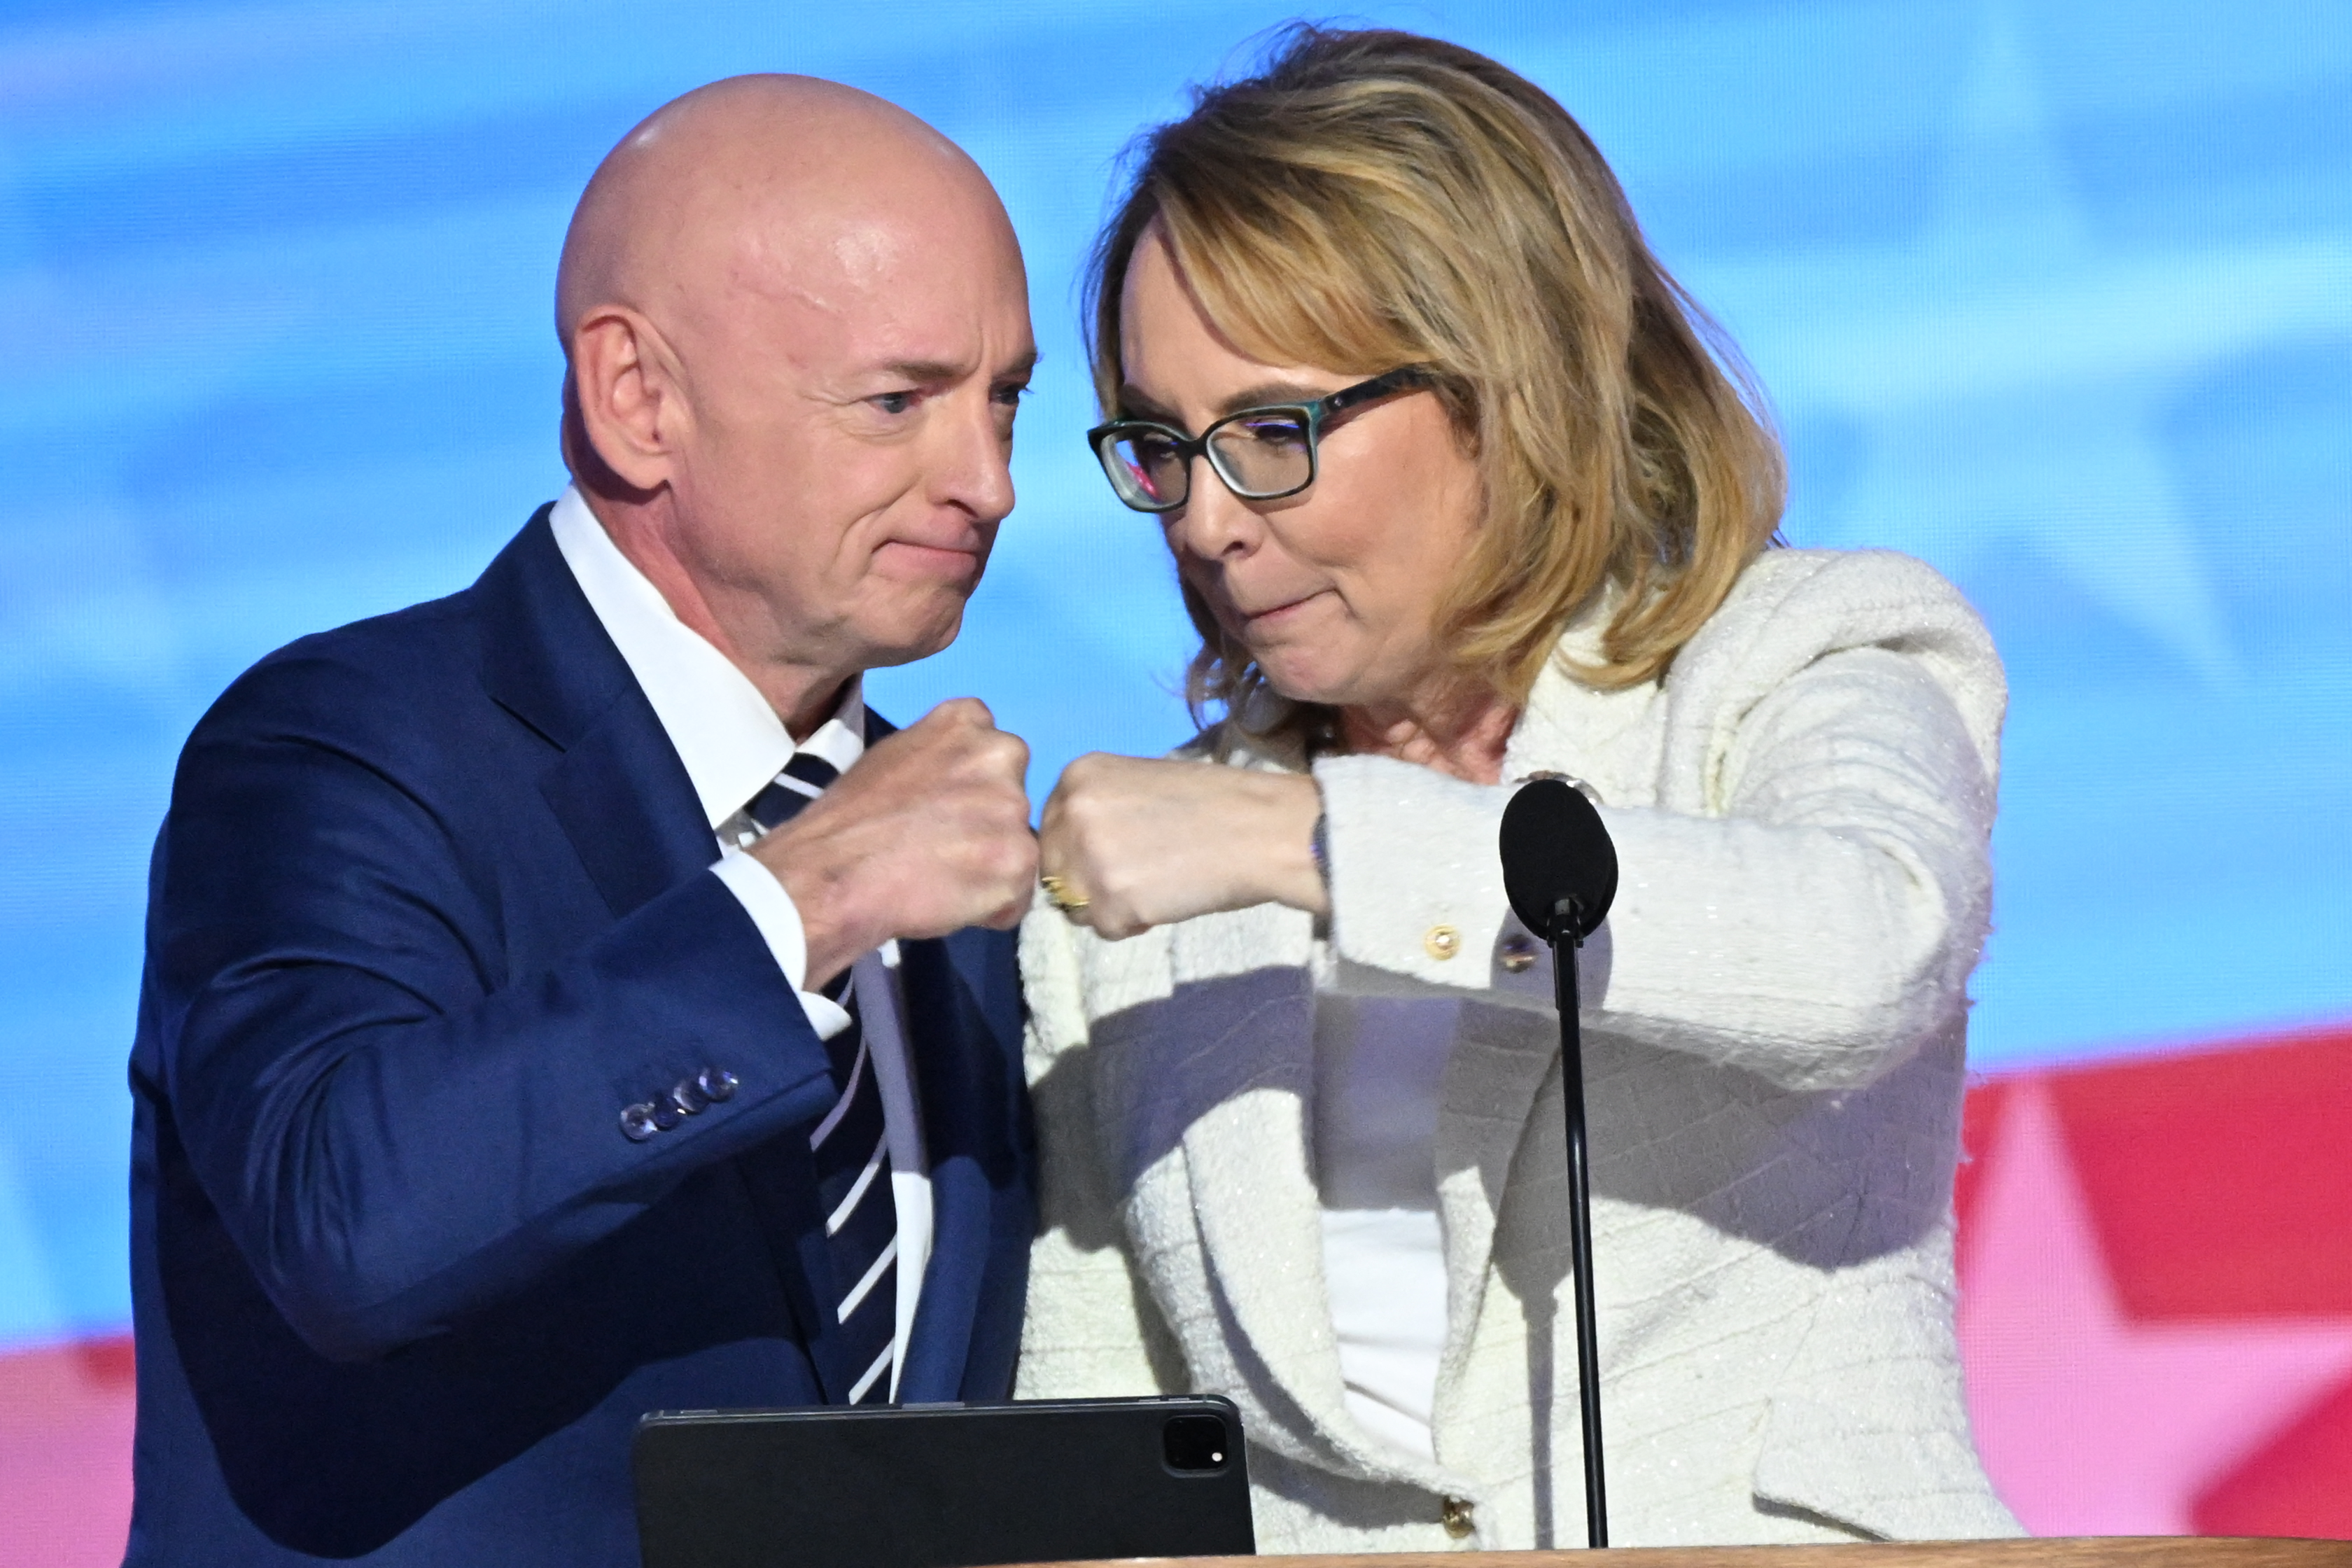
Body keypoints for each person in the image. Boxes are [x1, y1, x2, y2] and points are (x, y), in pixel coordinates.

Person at [1016, 27, 2022, 1552]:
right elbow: (1087, 1452)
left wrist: (1316, 843)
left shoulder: (1800, 660)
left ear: (1510, 386)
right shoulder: (1129, 894)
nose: (1207, 521)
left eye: (1275, 432)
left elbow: (1868, 944)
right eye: (1162, 445)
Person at [126, 76, 1040, 1567]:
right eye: (899, 400)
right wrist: (793, 910)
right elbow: (345, 1216)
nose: (989, 481)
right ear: (638, 396)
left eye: (1005, 397)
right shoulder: (340, 743)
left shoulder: (936, 834)